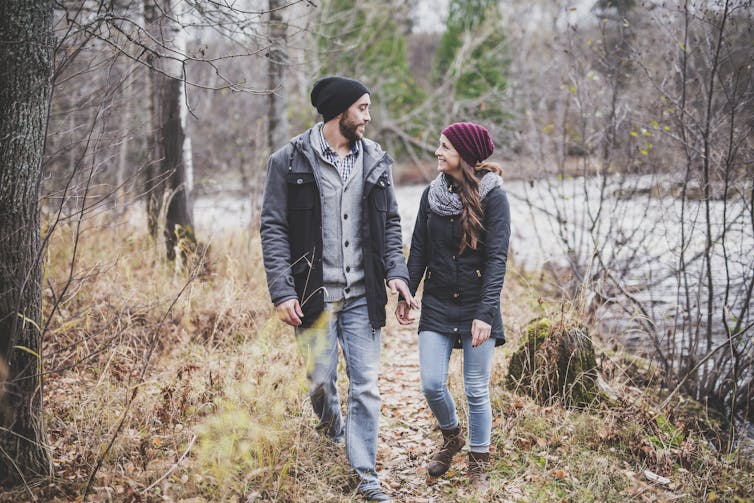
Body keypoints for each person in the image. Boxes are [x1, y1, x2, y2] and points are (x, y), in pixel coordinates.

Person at [260, 76, 417, 503]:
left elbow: (390, 224)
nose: (368, 117)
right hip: (313, 296)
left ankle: (365, 475)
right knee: (320, 382)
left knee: (366, 385)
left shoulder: (376, 162)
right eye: (362, 108)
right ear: (338, 111)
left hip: (363, 296)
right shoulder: (288, 161)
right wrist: (282, 291)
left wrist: (397, 274)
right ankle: (334, 438)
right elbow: (273, 228)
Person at [395, 122, 510, 491]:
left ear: (465, 153)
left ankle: (479, 462)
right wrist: (406, 294)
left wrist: (486, 313)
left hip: (479, 303)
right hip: (439, 303)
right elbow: (419, 252)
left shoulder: (494, 197)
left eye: (445, 146)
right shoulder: (431, 195)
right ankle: (452, 436)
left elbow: (497, 260)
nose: (437, 152)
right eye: (438, 144)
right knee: (431, 383)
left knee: (476, 389)